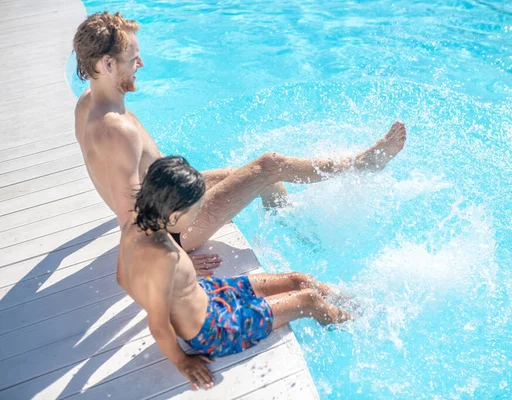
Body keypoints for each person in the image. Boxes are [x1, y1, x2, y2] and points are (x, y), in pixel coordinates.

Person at [74, 12, 407, 275]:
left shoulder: (88, 103)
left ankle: (290, 223)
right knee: (269, 165)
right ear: (106, 64)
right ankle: (363, 164)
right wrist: (178, 262)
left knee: (266, 180)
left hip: (164, 199)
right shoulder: (117, 131)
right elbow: (132, 228)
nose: (141, 64)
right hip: (173, 231)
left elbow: (114, 184)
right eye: (133, 59)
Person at [118, 156, 353, 390]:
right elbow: (158, 324)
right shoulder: (166, 260)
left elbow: (122, 277)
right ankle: (351, 322)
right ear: (174, 216)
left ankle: (351, 300)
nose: (199, 211)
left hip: (208, 294)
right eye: (196, 209)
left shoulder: (137, 223)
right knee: (309, 300)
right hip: (215, 329)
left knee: (298, 280)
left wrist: (179, 288)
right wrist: (182, 361)